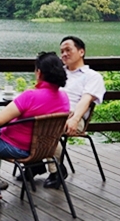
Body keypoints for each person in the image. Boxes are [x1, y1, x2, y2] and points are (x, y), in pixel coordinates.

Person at [0, 51, 69, 205]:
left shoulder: (31, 96)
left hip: (16, 148)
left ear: (39, 72)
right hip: (44, 150)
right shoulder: (64, 97)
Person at [43, 35, 106, 189]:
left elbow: (85, 100)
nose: (64, 54)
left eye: (68, 50)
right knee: (25, 123)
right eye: (62, 51)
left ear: (81, 52)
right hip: (50, 115)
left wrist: (75, 118)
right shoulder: (57, 73)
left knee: (44, 129)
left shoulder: (92, 76)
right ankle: (37, 163)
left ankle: (55, 170)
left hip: (73, 117)